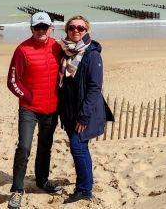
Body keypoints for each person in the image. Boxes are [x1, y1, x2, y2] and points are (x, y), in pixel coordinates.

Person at [5, 12, 64, 209]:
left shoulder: (58, 46)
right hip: (29, 108)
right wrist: (28, 97)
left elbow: (81, 49)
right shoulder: (22, 49)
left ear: (51, 28)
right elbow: (13, 81)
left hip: (51, 108)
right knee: (24, 146)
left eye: (44, 27)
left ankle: (42, 181)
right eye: (37, 27)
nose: (41, 31)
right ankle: (17, 190)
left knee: (45, 147)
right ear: (31, 28)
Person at [57, 15, 114, 204]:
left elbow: (95, 88)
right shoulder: (65, 52)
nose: (76, 31)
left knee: (77, 147)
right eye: (72, 27)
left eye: (80, 28)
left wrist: (83, 116)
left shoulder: (92, 55)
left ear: (86, 31)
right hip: (70, 111)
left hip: (84, 113)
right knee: (82, 148)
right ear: (67, 30)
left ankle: (84, 189)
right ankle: (86, 185)